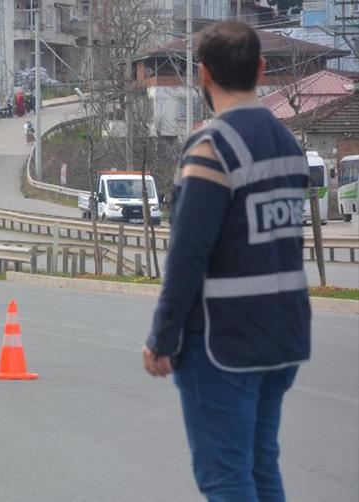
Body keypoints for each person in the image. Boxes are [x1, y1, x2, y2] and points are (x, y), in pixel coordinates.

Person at [143, 21, 310, 502]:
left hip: (224, 341)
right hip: (285, 334)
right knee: (260, 469)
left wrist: (164, 336)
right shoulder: (288, 144)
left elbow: (188, 252)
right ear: (260, 68)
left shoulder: (213, 147)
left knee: (225, 477)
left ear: (202, 75)